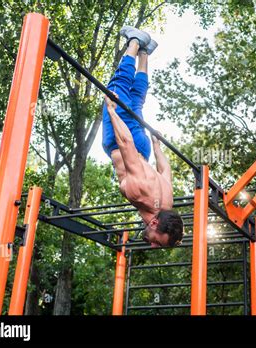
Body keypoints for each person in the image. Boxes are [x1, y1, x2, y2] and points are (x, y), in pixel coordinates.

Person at [102, 26, 183, 248]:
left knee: (136, 101)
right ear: (155, 222)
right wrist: (111, 111)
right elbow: (126, 144)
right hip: (121, 141)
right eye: (157, 241)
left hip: (144, 148)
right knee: (117, 88)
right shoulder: (141, 193)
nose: (153, 245)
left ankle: (145, 52)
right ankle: (135, 43)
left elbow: (165, 171)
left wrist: (157, 146)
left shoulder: (166, 202)